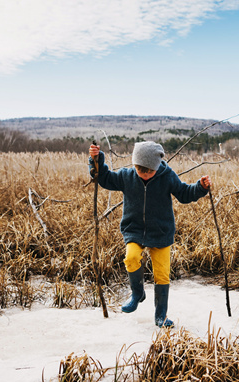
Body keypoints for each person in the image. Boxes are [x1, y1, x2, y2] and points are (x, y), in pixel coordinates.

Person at [88, 140, 211, 327]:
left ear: (156, 166)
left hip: (161, 232)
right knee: (131, 258)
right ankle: (137, 293)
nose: (145, 175)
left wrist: (200, 188)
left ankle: (160, 315)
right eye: (141, 171)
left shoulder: (167, 176)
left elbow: (184, 193)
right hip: (134, 230)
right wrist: (96, 159)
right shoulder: (127, 176)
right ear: (135, 165)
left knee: (162, 275)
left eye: (150, 171)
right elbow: (104, 178)